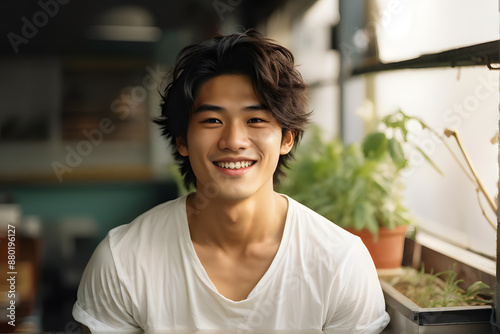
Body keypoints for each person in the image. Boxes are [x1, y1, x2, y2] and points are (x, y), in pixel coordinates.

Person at [72, 29, 390, 333]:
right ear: (182, 140)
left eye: (255, 120)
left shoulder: (340, 262)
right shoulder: (124, 260)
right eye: (212, 120)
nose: (234, 140)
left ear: (287, 138)